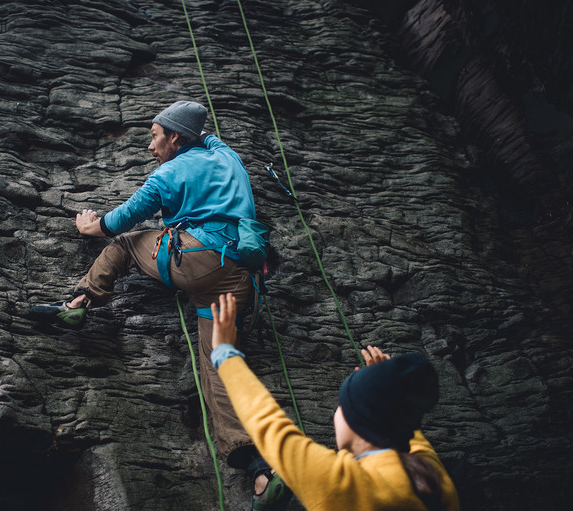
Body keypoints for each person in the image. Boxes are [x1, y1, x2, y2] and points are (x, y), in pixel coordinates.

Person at [29, 101, 290, 508]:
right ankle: (260, 471)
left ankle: (78, 301)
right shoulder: (228, 156)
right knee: (219, 364)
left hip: (199, 263)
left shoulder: (169, 173)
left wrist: (89, 226)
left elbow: (122, 220)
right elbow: (209, 136)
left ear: (175, 138)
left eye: (154, 136)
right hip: (242, 280)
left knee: (126, 244)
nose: (150, 146)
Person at [210, 293, 461, 511]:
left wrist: (224, 352)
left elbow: (269, 424)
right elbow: (405, 422)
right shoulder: (433, 476)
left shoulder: (343, 484)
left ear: (358, 420)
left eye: (342, 406)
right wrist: (387, 385)